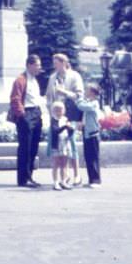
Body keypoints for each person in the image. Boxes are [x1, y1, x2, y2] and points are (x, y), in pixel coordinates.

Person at [45, 53, 83, 185]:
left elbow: (79, 96)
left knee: (71, 144)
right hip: (56, 116)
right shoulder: (52, 78)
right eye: (54, 63)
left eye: (56, 63)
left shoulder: (74, 76)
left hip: (70, 114)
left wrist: (64, 92)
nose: (54, 65)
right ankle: (63, 176)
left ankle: (77, 174)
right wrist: (51, 112)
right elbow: (49, 96)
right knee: (58, 146)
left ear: (64, 63)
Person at [9, 54, 44, 187]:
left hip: (36, 112)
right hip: (26, 114)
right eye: (37, 65)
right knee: (25, 147)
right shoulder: (20, 80)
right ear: (29, 65)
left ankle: (30, 176)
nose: (39, 68)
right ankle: (23, 178)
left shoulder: (34, 80)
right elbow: (15, 99)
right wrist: (22, 115)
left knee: (33, 147)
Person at [76, 82, 103, 186]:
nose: (85, 91)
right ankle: (91, 179)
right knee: (88, 157)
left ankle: (96, 180)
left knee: (94, 157)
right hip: (87, 133)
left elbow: (82, 106)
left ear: (92, 92)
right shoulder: (88, 101)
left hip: (93, 133)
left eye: (87, 89)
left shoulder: (94, 103)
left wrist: (79, 98)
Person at [49, 99, 75, 190]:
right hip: (57, 144)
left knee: (64, 164)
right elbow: (55, 131)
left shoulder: (65, 119)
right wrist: (65, 126)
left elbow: (70, 132)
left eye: (61, 110)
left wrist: (71, 129)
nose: (59, 112)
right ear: (53, 111)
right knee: (56, 163)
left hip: (65, 143)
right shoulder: (53, 120)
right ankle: (55, 182)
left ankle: (63, 181)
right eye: (57, 110)